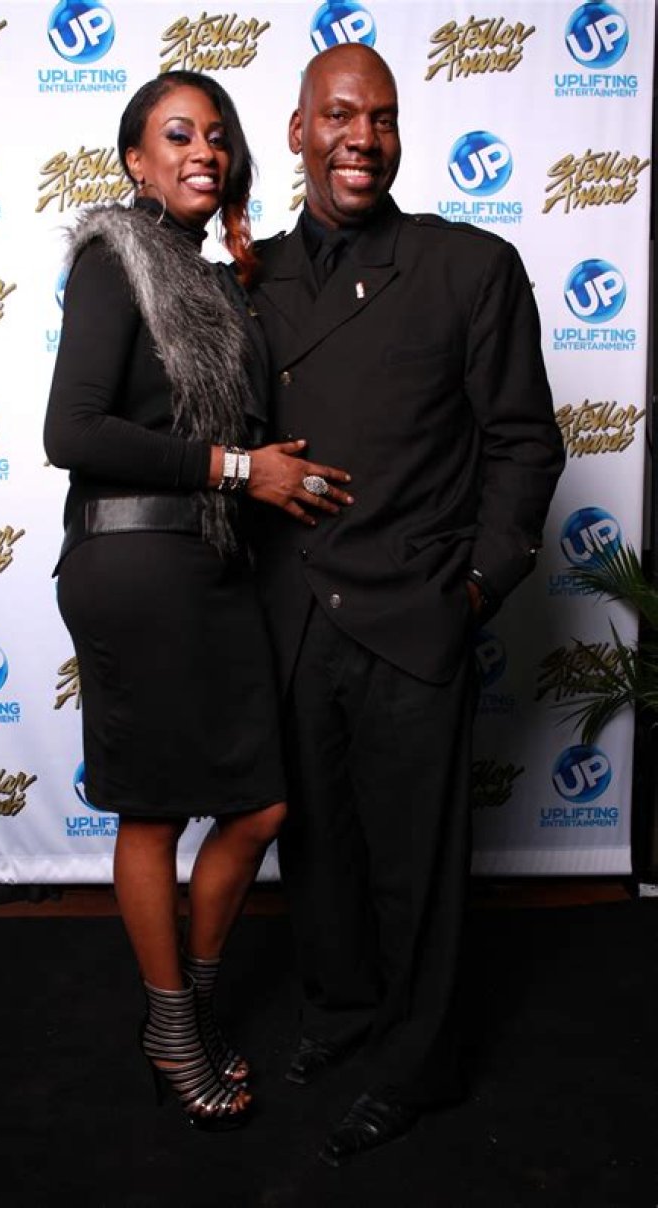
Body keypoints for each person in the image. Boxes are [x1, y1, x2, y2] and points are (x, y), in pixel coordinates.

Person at [248, 43, 566, 1164]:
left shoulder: (467, 266)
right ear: (298, 133)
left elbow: (525, 442)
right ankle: (340, 1012)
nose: (361, 138)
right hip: (291, 613)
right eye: (339, 116)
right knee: (318, 848)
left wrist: (474, 587)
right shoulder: (249, 275)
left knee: (416, 866)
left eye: (380, 118)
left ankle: (416, 1066)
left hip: (411, 615)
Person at [43, 70, 352, 1132]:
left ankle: (193, 1006)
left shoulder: (214, 277)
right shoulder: (114, 257)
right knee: (156, 809)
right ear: (136, 161)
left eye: (216, 135)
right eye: (177, 135)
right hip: (134, 568)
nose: (202, 151)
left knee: (259, 804)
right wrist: (238, 468)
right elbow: (73, 433)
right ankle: (174, 1028)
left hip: (214, 567)